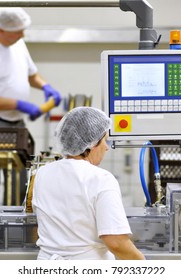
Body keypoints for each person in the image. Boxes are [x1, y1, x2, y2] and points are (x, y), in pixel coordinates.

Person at [0, 7, 61, 206]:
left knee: (20, 181)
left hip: (16, 123)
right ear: (1, 29)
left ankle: (17, 227)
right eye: (17, 31)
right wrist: (18, 104)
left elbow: (31, 74)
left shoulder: (17, 43)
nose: (22, 35)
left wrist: (45, 86)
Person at [32, 107, 145, 260]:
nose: (106, 147)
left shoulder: (41, 173)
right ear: (91, 143)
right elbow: (116, 242)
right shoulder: (101, 179)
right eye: (104, 140)